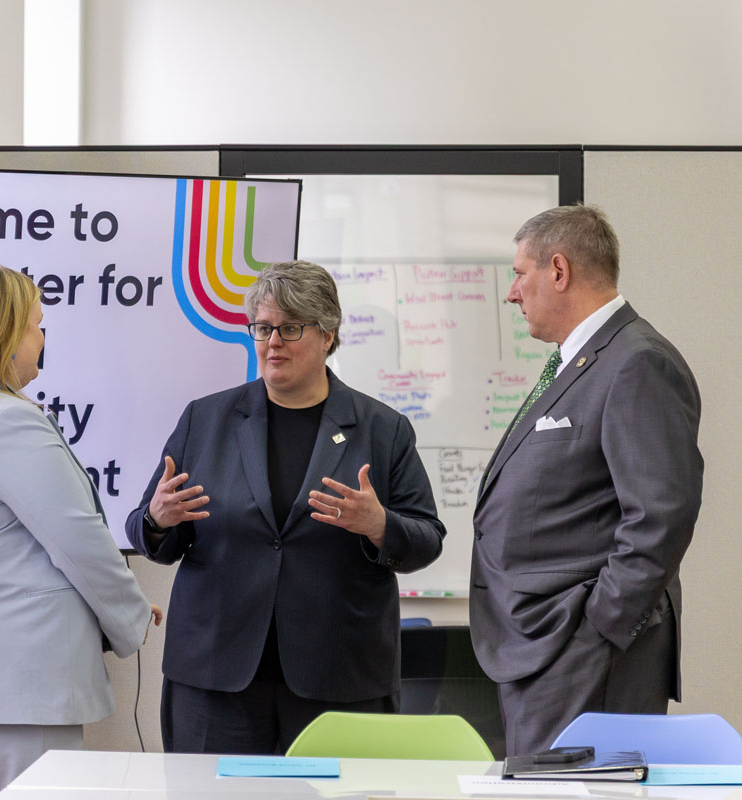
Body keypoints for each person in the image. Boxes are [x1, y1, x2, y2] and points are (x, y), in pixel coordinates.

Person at [126, 260, 446, 755]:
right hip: (216, 676)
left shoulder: (383, 430)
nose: (272, 341)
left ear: (328, 335)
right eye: (262, 327)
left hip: (339, 677)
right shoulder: (206, 419)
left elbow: (426, 538)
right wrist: (156, 520)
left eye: (290, 328)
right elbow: (151, 531)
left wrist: (380, 526)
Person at [0, 263, 161, 800]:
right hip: (16, 686)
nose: (42, 339)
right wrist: (132, 616)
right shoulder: (7, 420)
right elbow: (80, 540)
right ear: (5, 334)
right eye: (37, 324)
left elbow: (5, 552)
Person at [470, 205, 703, 756]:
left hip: (584, 650)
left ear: (558, 270)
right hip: (544, 646)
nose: (512, 293)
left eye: (519, 274)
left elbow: (660, 515)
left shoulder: (636, 362)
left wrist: (598, 628)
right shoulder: (584, 361)